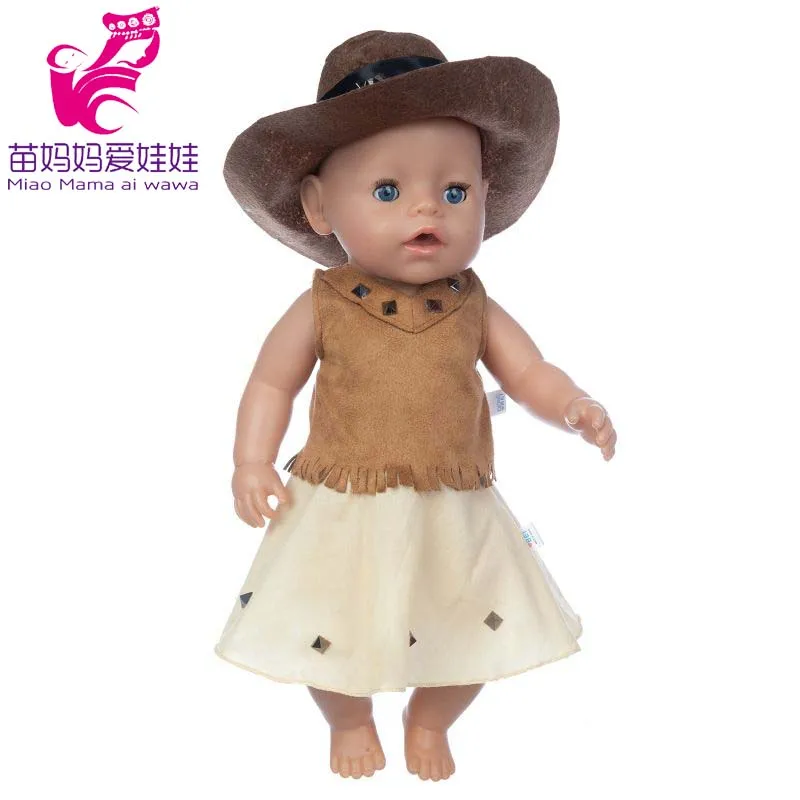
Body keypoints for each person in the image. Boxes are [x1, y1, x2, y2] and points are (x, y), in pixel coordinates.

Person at [214, 30, 617, 782]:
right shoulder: (324, 304)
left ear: (484, 199)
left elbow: (527, 371)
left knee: (471, 628)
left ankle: (430, 718)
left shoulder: (473, 304)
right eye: (387, 191)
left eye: (454, 192)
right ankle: (349, 718)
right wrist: (250, 460)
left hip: (453, 503)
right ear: (319, 207)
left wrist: (572, 405)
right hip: (344, 500)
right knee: (327, 629)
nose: (426, 206)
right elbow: (271, 382)